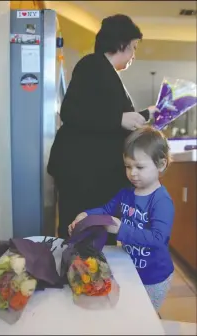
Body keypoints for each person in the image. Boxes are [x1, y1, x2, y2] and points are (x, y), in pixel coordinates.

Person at [47, 14, 159, 242]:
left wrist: (148, 114)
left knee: (93, 235)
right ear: (121, 44)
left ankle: (90, 274)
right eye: (134, 47)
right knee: (81, 233)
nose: (134, 55)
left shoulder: (107, 73)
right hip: (83, 173)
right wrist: (118, 119)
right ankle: (82, 274)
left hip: (93, 173)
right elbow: (70, 111)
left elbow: (109, 115)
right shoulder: (93, 64)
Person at [69, 126, 174, 311]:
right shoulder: (125, 193)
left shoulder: (161, 201)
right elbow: (106, 209)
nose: (132, 173)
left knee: (145, 317)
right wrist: (86, 215)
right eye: (128, 166)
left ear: (161, 164)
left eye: (139, 167)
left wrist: (121, 229)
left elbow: (158, 239)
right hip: (130, 268)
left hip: (154, 277)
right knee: (129, 313)